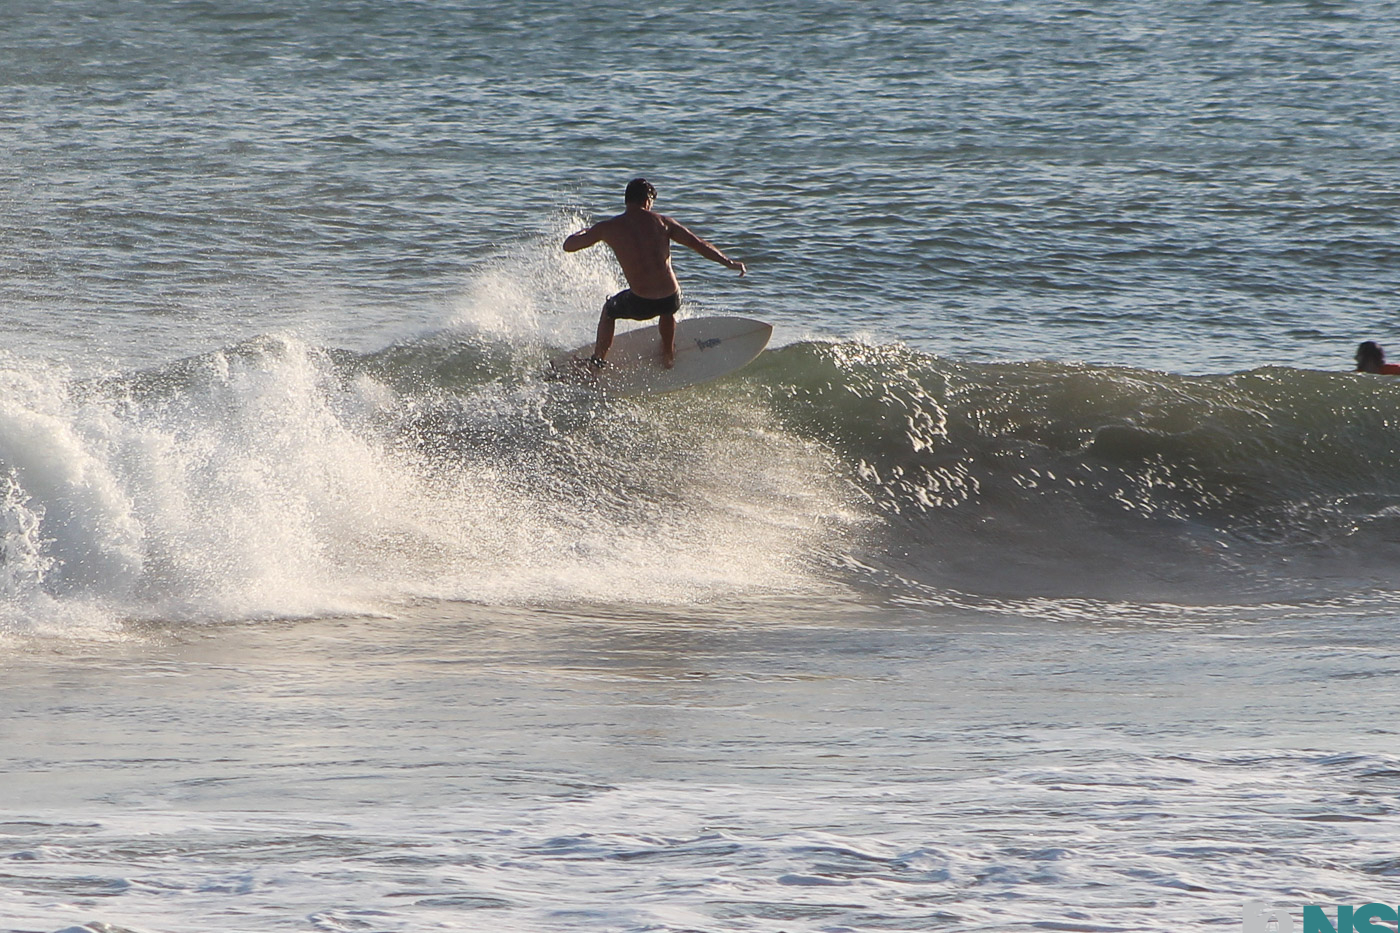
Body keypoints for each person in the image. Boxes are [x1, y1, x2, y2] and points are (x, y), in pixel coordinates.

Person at [563, 178, 746, 369]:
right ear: (647, 201)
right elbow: (699, 244)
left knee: (609, 310)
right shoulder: (663, 223)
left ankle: (597, 361)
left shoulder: (607, 228)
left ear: (627, 200)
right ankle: (668, 354)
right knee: (667, 310)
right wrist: (729, 263)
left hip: (641, 303)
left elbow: (569, 246)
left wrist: (583, 231)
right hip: (671, 298)